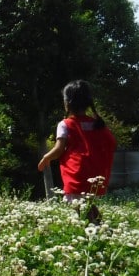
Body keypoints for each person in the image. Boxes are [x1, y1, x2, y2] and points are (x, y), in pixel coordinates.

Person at [38, 79, 117, 221]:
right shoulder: (97, 124)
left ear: (67, 103)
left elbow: (58, 149)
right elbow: (111, 142)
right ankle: (101, 232)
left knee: (80, 208)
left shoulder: (65, 124)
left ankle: (97, 234)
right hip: (96, 174)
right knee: (88, 205)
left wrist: (46, 157)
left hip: (76, 173)